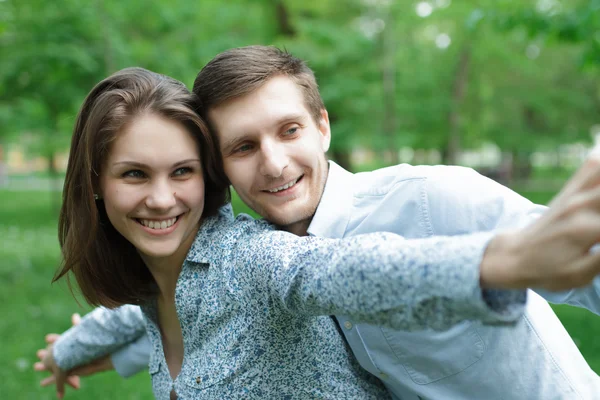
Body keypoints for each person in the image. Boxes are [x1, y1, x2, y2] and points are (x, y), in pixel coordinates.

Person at [37, 47, 600, 399]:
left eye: (289, 130)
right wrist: (68, 351)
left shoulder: (429, 199)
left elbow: (355, 270)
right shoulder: (207, 265)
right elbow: (165, 309)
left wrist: (506, 260)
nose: (275, 164)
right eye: (243, 146)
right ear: (222, 167)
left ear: (322, 126)